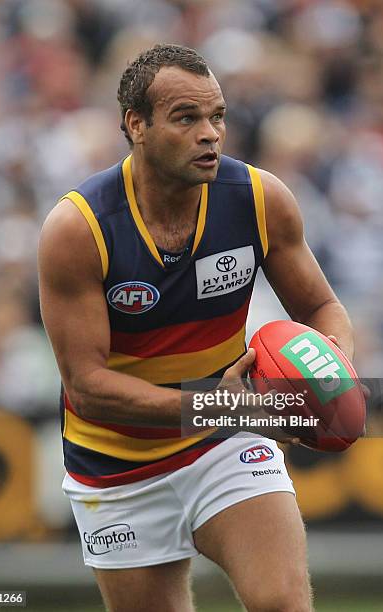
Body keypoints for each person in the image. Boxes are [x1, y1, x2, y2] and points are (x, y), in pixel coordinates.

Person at [38, 44, 354, 612]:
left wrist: (331, 377)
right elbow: (87, 386)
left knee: (282, 602)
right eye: (187, 118)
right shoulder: (77, 229)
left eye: (218, 117)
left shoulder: (260, 198)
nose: (210, 134)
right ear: (136, 125)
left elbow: (324, 310)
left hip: (225, 442)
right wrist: (226, 406)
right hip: (115, 466)